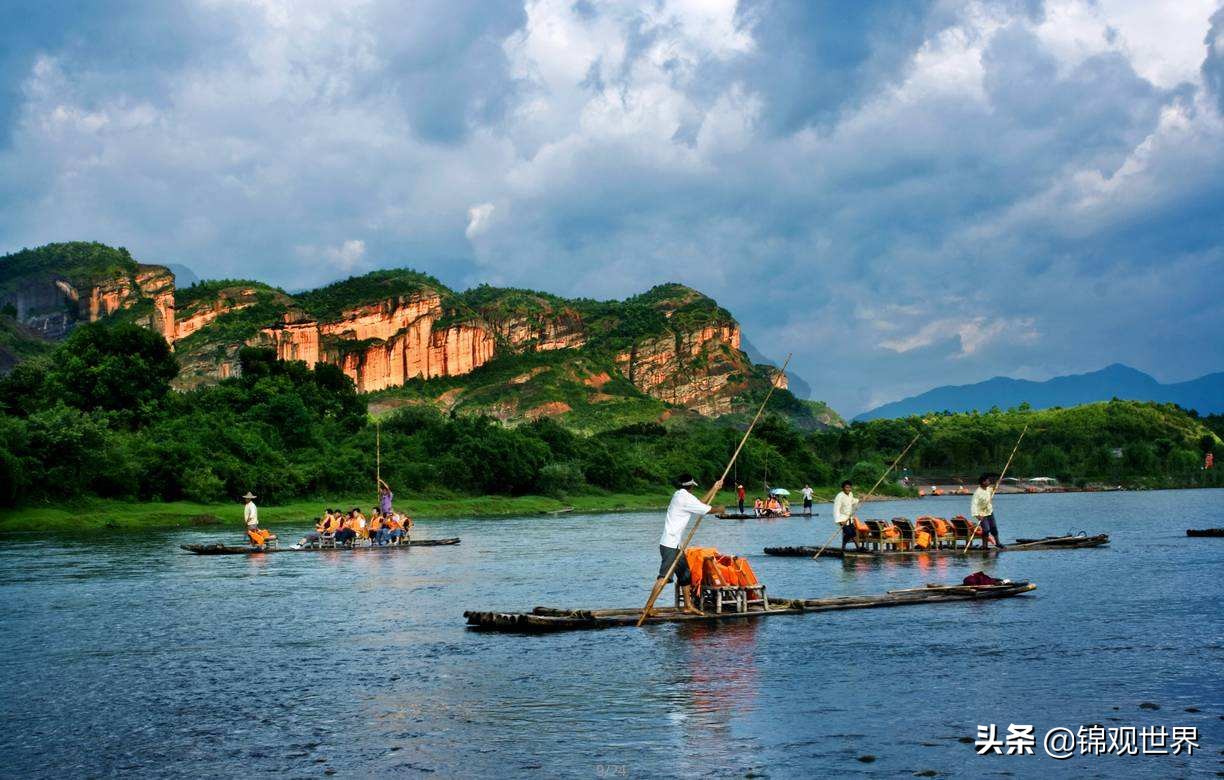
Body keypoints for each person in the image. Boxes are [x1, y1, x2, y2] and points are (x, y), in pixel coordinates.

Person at [647, 474, 724, 616]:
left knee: (685, 575)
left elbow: (700, 504)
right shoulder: (684, 498)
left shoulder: (680, 495)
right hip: (670, 545)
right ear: (691, 486)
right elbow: (706, 509)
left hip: (676, 545)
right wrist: (719, 509)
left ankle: (688, 606)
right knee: (664, 577)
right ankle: (648, 607)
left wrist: (714, 488)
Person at [972, 475, 1006, 550]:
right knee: (986, 529)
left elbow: (993, 489)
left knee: (994, 528)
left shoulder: (988, 489)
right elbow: (973, 505)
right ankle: (985, 546)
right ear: (983, 482)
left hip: (989, 512)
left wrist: (997, 483)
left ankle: (998, 543)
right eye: (987, 481)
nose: (989, 482)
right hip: (982, 514)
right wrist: (977, 515)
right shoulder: (977, 493)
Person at [833, 480, 862, 551]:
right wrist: (840, 521)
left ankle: (858, 548)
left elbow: (852, 501)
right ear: (843, 488)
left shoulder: (850, 494)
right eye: (847, 487)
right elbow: (836, 510)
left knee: (854, 533)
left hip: (849, 518)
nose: (848, 489)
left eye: (849, 487)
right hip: (842, 519)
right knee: (849, 533)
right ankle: (844, 547)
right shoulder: (839, 496)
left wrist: (859, 500)